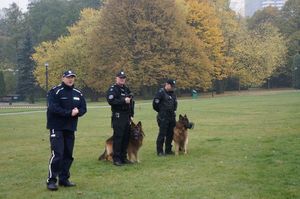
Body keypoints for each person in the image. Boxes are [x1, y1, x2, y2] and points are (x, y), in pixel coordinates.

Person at [46, 70, 87, 191]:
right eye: (68, 77)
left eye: (72, 77)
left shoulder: (78, 93)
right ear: (63, 78)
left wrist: (78, 112)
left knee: (68, 155)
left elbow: (83, 108)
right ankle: (51, 180)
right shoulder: (55, 91)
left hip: (70, 128)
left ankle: (64, 179)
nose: (70, 79)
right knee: (58, 154)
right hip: (57, 127)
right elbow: (53, 108)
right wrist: (69, 113)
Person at [106, 71, 134, 166]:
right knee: (118, 138)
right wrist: (123, 100)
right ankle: (116, 158)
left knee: (126, 137)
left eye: (123, 78)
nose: (122, 79)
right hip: (118, 116)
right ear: (116, 78)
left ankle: (123, 157)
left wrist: (131, 114)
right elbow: (111, 100)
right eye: (120, 78)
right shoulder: (113, 89)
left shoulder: (126, 89)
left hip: (127, 116)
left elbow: (131, 101)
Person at [153, 79, 177, 156]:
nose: (172, 88)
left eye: (173, 86)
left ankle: (168, 150)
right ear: (167, 84)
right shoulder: (161, 92)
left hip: (171, 116)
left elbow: (175, 104)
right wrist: (161, 112)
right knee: (162, 134)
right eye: (171, 86)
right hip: (163, 116)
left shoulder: (172, 94)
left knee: (170, 134)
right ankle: (159, 151)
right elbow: (155, 105)